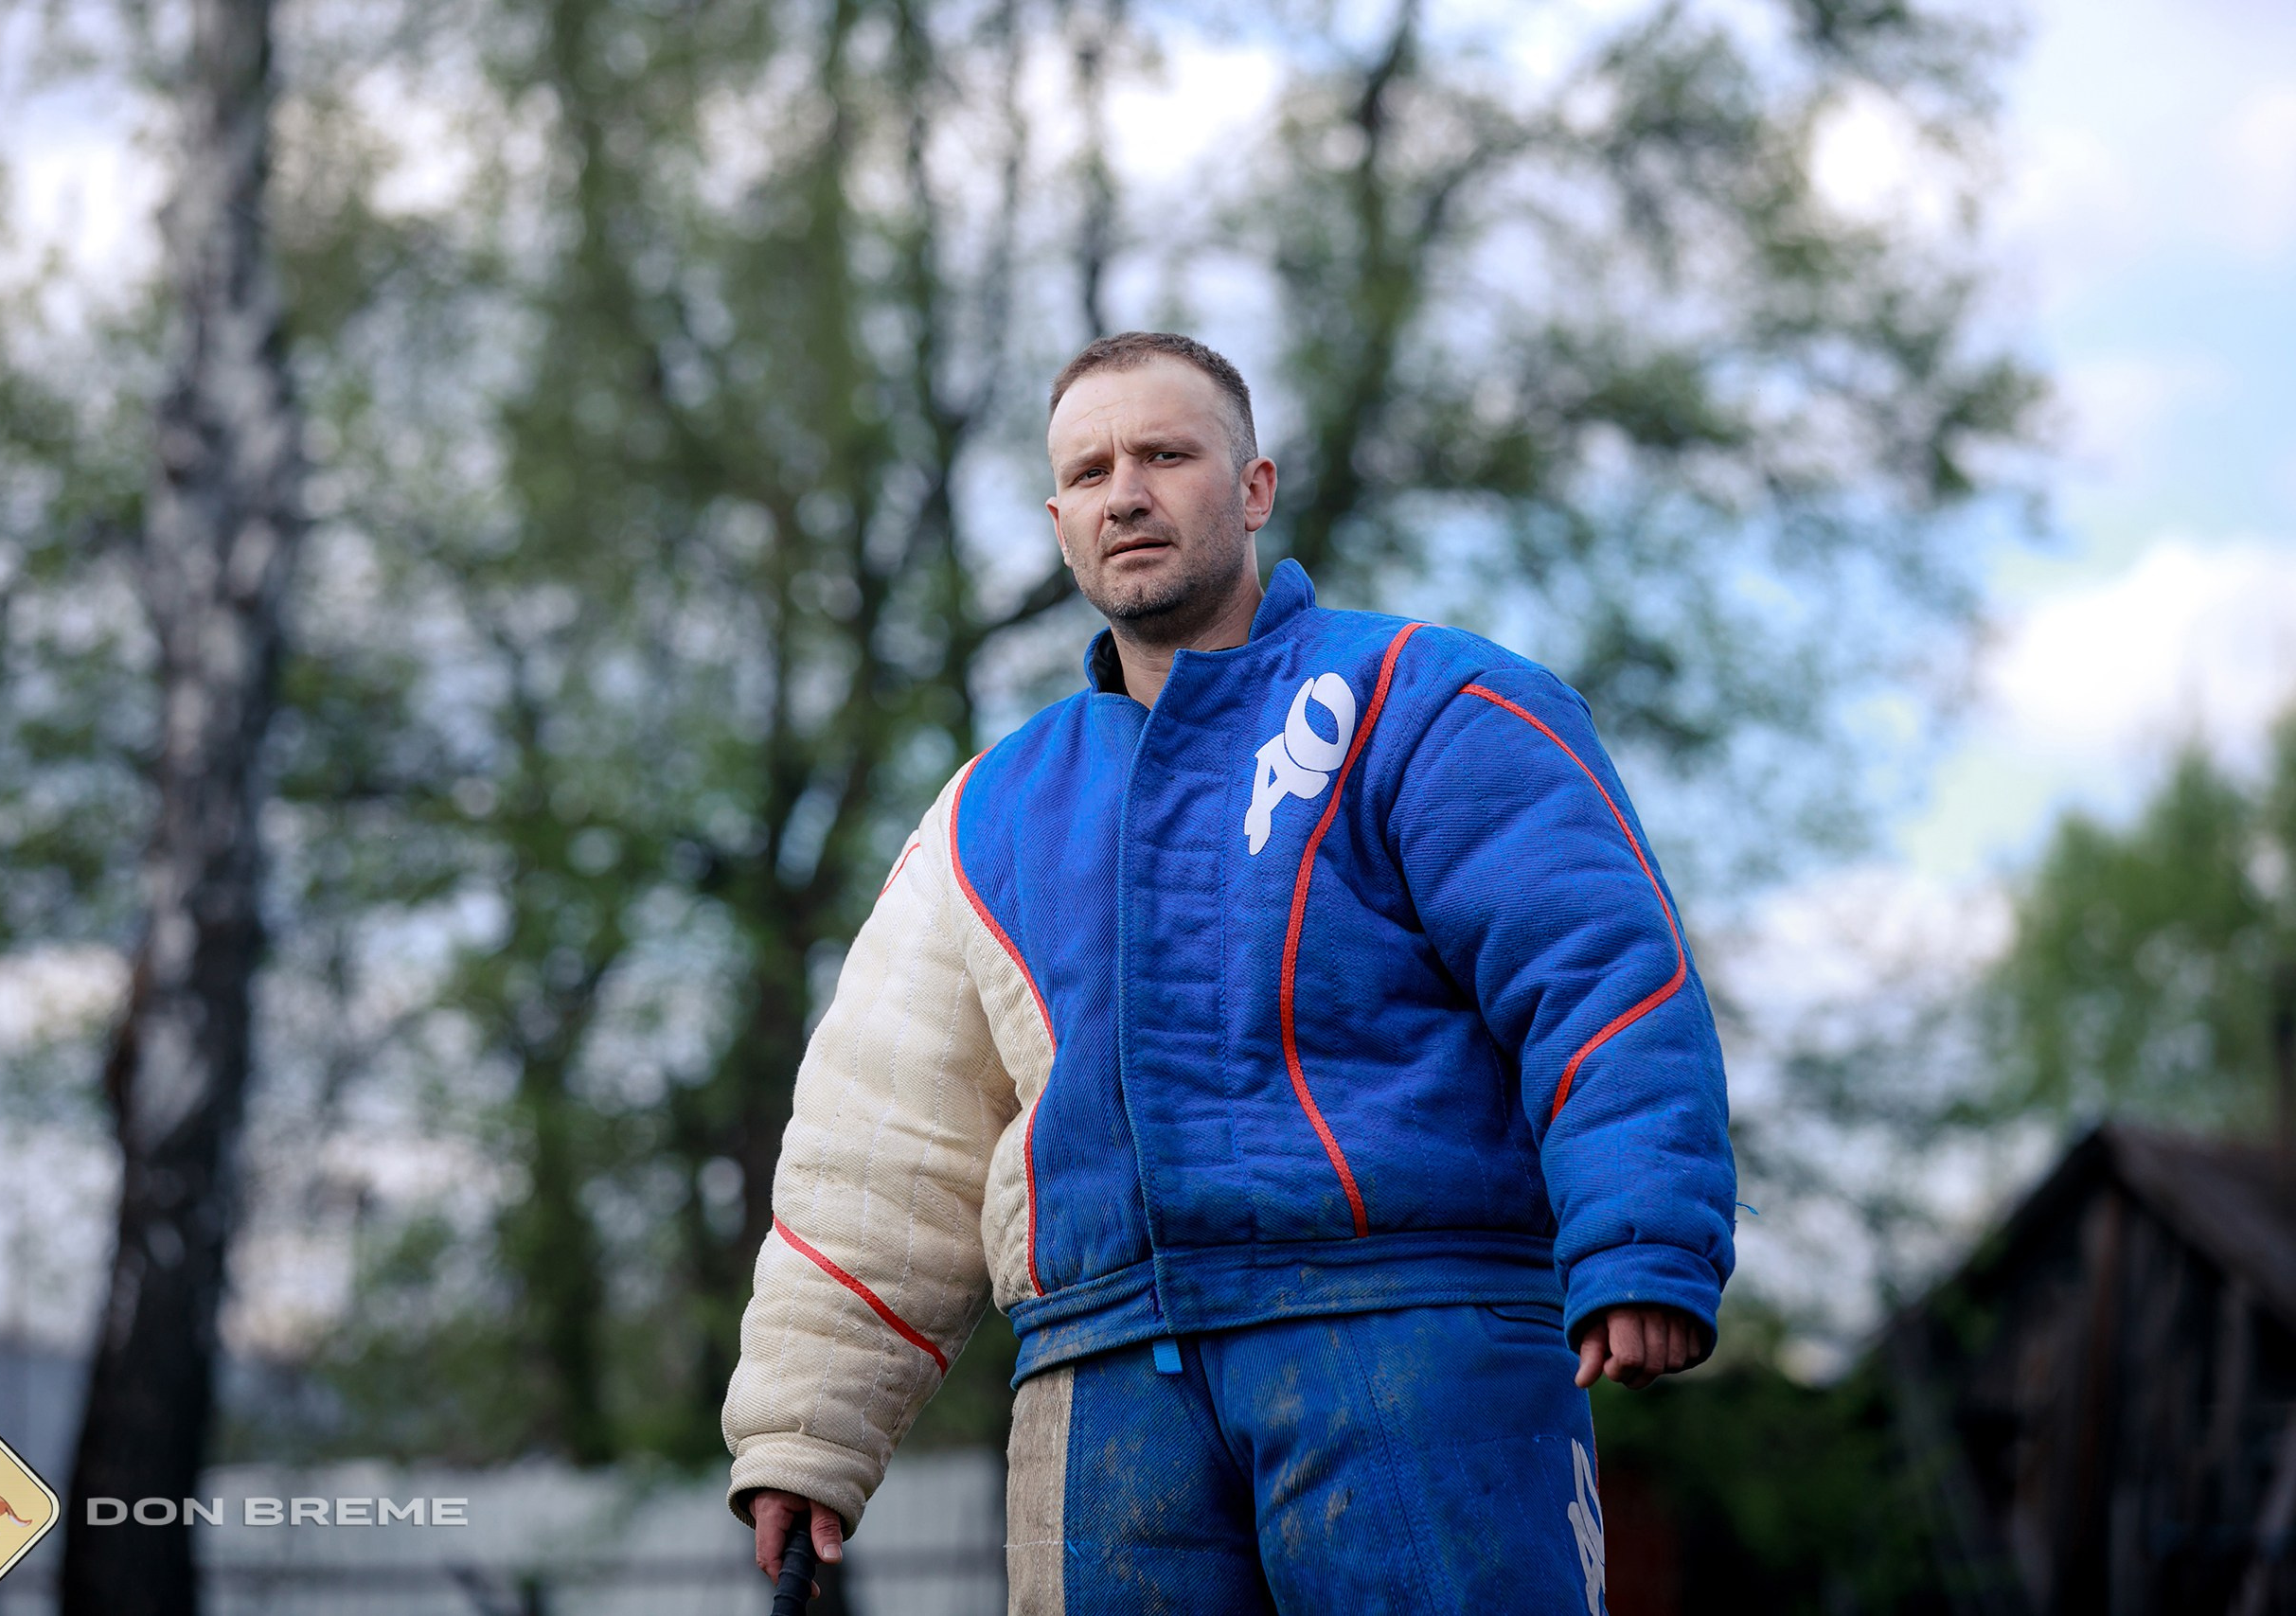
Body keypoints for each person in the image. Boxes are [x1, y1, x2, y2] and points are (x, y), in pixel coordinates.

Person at [723, 331, 1735, 1613]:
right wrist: (811, 1432)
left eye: (1165, 454)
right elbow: (885, 1136)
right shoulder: (990, 813)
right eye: (1089, 471)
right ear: (1056, 520)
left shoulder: (1428, 701)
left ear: (1253, 487)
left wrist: (1638, 1235)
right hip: (1100, 1393)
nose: (1126, 492)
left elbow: (1598, 972)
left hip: (1416, 1342)